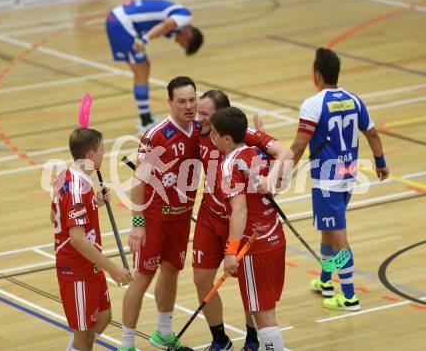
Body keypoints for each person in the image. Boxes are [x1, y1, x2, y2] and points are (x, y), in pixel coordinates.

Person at [290, 47, 390, 311]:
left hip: (327, 181)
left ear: (317, 74)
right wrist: (380, 163)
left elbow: (300, 145)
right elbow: (372, 134)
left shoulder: (313, 104)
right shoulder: (354, 99)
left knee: (339, 236)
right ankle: (325, 281)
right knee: (328, 231)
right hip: (348, 175)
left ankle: (348, 296)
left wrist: (282, 172)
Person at [194, 91, 293, 350]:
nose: (202, 124)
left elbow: (239, 211)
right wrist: (273, 179)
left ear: (225, 135)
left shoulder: (230, 164)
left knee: (264, 315)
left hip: (253, 242)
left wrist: (230, 251)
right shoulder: (257, 154)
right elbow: (282, 173)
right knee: (264, 310)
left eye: (208, 121)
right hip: (272, 235)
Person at [118, 76, 201, 351]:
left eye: (192, 99)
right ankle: (127, 344)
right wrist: (138, 224)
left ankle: (164, 333)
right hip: (154, 217)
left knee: (172, 272)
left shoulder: (201, 129)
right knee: (143, 276)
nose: (188, 106)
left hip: (181, 216)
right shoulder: (157, 135)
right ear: (169, 103)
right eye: (182, 101)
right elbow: (139, 182)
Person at [50, 128, 131, 351]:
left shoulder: (70, 178)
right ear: (91, 155)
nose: (104, 154)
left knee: (103, 317)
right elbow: (77, 239)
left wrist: (95, 202)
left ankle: (77, 345)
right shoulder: (76, 188)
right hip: (76, 270)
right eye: (102, 150)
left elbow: (54, 215)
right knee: (84, 335)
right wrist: (113, 269)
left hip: (89, 265)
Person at [105, 0, 203, 132]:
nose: (177, 43)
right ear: (188, 37)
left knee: (143, 68)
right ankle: (144, 120)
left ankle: (145, 116)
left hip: (118, 20)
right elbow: (165, 26)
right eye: (182, 44)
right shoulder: (184, 16)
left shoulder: (179, 20)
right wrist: (144, 40)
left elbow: (159, 24)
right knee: (142, 70)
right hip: (122, 23)